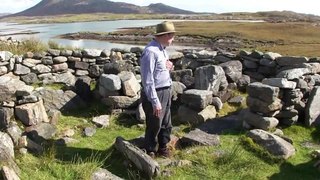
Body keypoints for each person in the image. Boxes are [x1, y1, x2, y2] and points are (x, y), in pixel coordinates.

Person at [140, 21, 176, 158]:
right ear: (164, 35)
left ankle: (163, 147)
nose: (173, 39)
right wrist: (155, 101)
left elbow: (160, 71)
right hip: (155, 93)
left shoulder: (162, 50)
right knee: (155, 123)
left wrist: (169, 67)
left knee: (166, 123)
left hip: (166, 90)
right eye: (172, 35)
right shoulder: (150, 52)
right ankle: (150, 150)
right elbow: (147, 80)